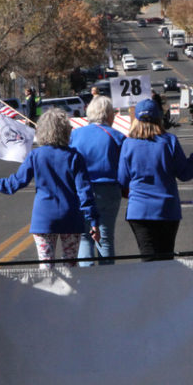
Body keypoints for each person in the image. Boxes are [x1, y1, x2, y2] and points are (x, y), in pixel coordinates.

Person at [0, 109, 99, 269]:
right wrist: (94, 220)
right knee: (71, 268)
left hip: (44, 218)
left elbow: (14, 184)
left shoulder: (36, 155)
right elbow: (85, 192)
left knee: (46, 270)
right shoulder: (74, 156)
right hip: (71, 217)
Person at [118, 98, 193, 261]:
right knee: (166, 260)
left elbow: (122, 181)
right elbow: (186, 173)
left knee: (148, 259)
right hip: (167, 209)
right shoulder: (169, 141)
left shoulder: (128, 144)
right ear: (159, 118)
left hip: (139, 211)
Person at [71, 95, 125, 265]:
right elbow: (125, 167)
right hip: (108, 189)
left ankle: (88, 282)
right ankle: (107, 280)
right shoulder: (116, 136)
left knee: (85, 237)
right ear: (108, 115)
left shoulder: (76, 134)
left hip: (81, 190)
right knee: (105, 237)